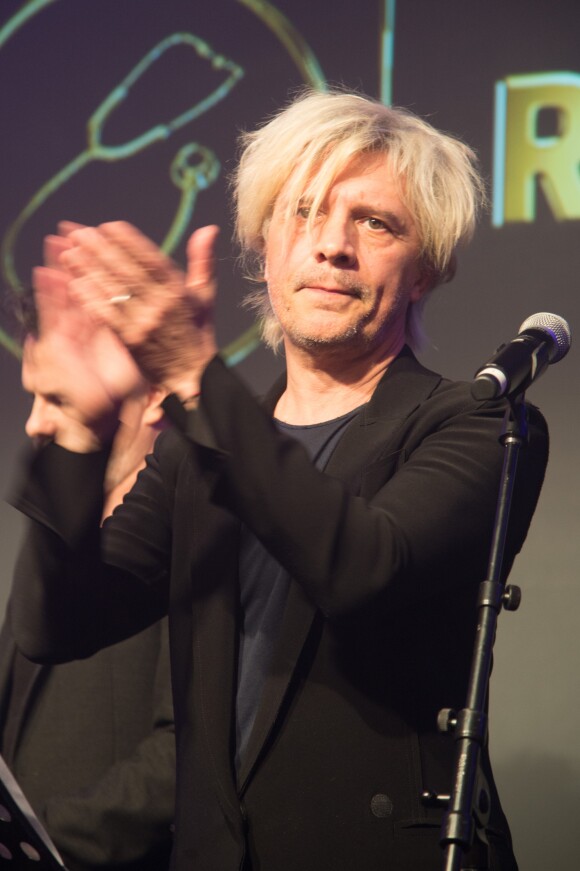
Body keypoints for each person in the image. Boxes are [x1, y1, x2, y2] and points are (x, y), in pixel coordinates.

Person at [8, 90, 548, 871]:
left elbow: (365, 566)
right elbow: (57, 625)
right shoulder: (201, 453)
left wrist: (199, 377)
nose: (332, 244)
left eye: (375, 221)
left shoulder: (479, 424)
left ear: (426, 266)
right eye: (303, 211)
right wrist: (79, 435)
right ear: (263, 246)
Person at [1, 261, 175, 871]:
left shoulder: (196, 530)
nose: (34, 421)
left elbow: (183, 755)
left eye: (56, 396)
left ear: (151, 394)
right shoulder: (56, 533)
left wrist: (41, 844)